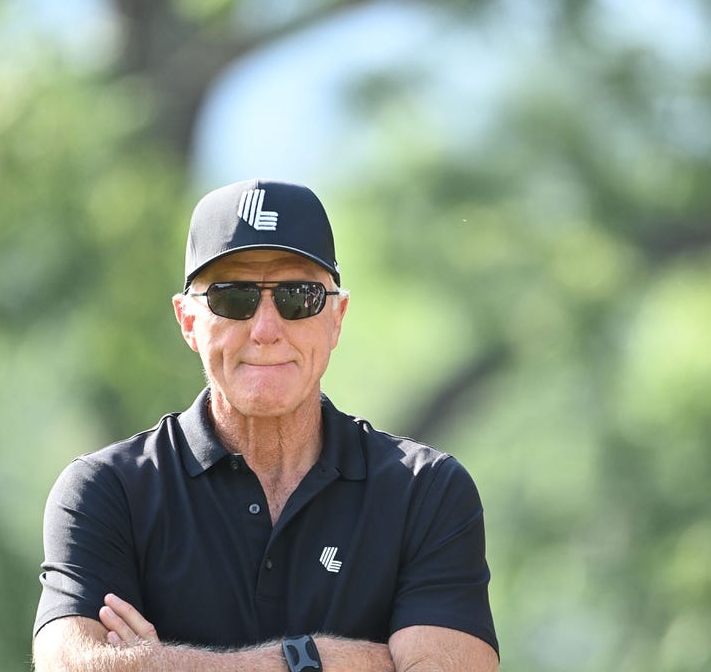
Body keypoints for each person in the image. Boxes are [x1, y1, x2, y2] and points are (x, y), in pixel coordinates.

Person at [32, 180, 499, 671]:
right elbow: (71, 666)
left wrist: (155, 664)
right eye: (234, 298)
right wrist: (320, 662)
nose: (266, 330)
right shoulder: (106, 492)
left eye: (299, 297)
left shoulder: (427, 492)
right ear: (188, 320)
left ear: (336, 318)